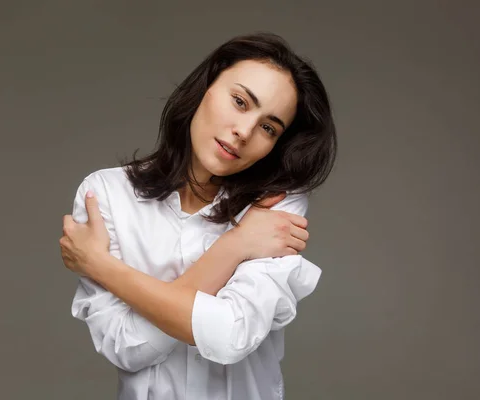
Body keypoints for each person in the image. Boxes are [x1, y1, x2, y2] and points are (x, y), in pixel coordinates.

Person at [59, 32, 337, 400]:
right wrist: (235, 247)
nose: (244, 131)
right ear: (206, 86)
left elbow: (229, 335)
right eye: (239, 101)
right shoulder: (107, 195)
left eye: (268, 127)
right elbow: (126, 348)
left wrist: (99, 264)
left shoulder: (276, 205)